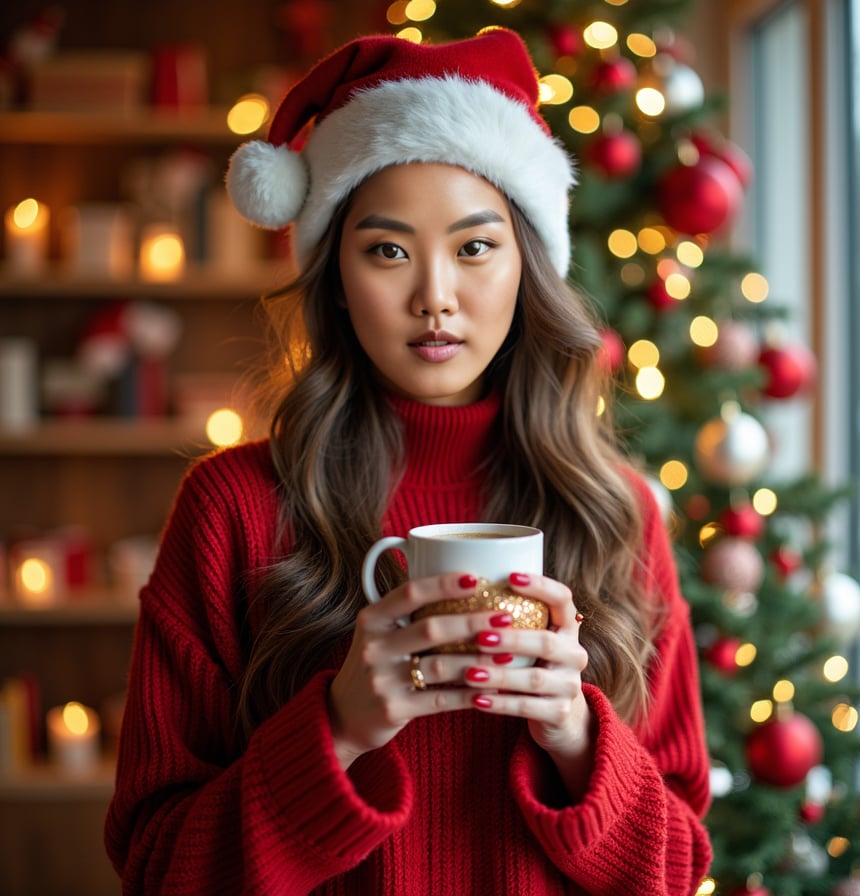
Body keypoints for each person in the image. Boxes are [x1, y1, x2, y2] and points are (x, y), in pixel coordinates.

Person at [105, 28, 712, 895]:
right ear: (337, 279)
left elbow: (681, 867)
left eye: (475, 247)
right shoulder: (233, 508)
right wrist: (339, 730)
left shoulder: (615, 511)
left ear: (526, 267)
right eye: (388, 249)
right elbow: (157, 869)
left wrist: (577, 737)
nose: (435, 296)